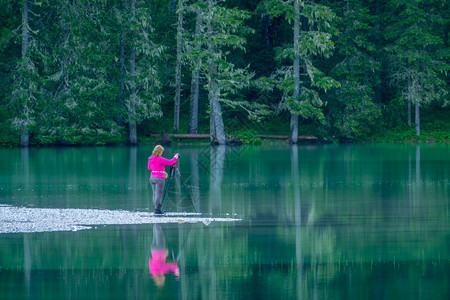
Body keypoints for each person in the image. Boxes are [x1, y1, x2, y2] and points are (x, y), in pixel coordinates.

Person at [148, 145, 179, 214]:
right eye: (161, 151)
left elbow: (149, 168)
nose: (162, 153)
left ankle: (156, 209)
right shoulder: (159, 159)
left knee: (154, 194)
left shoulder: (150, 158)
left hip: (152, 177)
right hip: (159, 177)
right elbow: (169, 162)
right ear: (159, 151)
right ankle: (157, 210)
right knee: (158, 194)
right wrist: (175, 158)